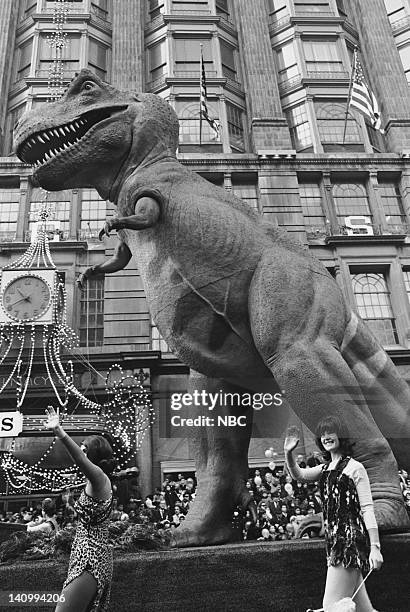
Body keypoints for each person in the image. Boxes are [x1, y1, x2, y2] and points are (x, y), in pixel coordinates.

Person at [284, 416, 383, 612]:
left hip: (349, 542)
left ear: (342, 436)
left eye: (331, 432)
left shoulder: (355, 468)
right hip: (334, 541)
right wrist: (288, 453)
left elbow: (367, 509)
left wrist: (375, 547)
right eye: (323, 434)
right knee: (365, 610)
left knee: (330, 606)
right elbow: (299, 475)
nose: (326, 437)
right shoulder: (325, 469)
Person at [44, 406, 115, 612]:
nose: (81, 452)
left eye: (85, 449)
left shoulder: (99, 479)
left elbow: (80, 460)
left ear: (93, 456)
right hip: (87, 557)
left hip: (90, 560)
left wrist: (60, 433)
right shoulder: (95, 482)